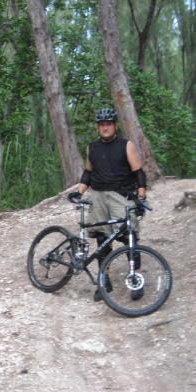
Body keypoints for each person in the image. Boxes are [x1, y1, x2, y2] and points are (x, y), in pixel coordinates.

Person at [68, 108, 147, 302]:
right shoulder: (92, 147)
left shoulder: (125, 145)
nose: (105, 127)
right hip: (98, 196)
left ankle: (136, 279)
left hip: (121, 195)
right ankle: (104, 281)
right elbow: (88, 173)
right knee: (102, 238)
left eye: (109, 123)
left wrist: (141, 197)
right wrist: (79, 192)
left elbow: (139, 173)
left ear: (115, 126)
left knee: (128, 235)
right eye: (102, 124)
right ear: (98, 127)